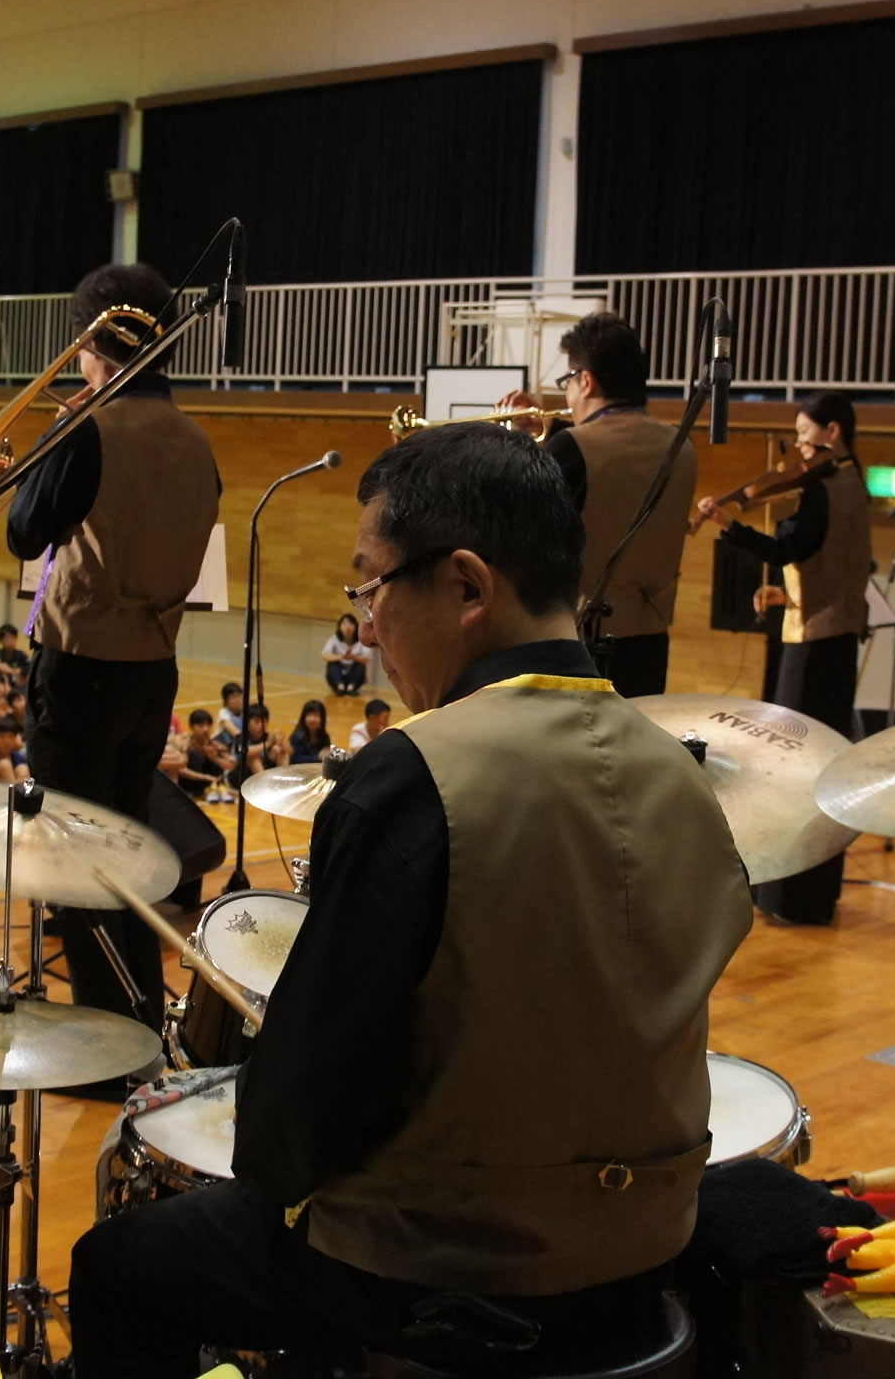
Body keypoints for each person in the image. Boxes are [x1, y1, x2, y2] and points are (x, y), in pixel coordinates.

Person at [67, 421, 753, 1376]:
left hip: (449, 1270)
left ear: (466, 586)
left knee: (115, 1267)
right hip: (647, 1247)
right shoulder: (685, 775)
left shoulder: (415, 775)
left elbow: (294, 1126)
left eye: (372, 587)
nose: (369, 625)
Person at [5, 262, 221, 1036]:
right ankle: (141, 1018)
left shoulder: (87, 428)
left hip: (82, 666)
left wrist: (50, 442)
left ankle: (104, 1045)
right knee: (126, 851)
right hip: (154, 671)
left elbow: (23, 531)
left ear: (95, 342)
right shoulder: (197, 440)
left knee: (78, 863)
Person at [696, 389, 872, 924]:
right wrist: (787, 595)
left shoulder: (822, 490)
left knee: (792, 764)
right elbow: (834, 564)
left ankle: (790, 896)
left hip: (814, 644)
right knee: (824, 764)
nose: (797, 447)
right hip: (837, 637)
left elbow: (788, 548)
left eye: (803, 435)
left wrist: (729, 525)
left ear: (832, 432)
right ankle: (810, 895)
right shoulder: (856, 484)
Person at [500, 311, 697, 698]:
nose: (567, 397)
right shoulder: (681, 446)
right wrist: (554, 432)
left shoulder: (572, 449)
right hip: (651, 641)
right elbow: (619, 467)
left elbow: (520, 537)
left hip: (581, 643)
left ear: (586, 381)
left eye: (567, 382)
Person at [322, 614, 371, 696]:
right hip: (337, 677)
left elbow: (367, 658)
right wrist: (341, 657)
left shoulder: (361, 640)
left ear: (356, 626)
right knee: (332, 663)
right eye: (344, 624)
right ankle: (340, 687)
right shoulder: (335, 638)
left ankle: (351, 688)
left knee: (360, 664)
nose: (347, 627)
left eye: (351, 624)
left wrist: (353, 657)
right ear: (339, 626)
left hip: (354, 677)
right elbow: (324, 655)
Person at [287, 699, 332, 765]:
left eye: (316, 715)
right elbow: (295, 759)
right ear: (304, 718)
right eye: (309, 715)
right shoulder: (297, 736)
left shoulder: (325, 736)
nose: (312, 719)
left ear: (322, 719)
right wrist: (317, 757)